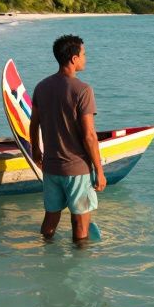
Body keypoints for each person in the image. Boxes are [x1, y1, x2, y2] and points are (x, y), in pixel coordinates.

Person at [29, 34, 105, 244]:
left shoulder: (41, 87)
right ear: (73, 58)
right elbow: (89, 136)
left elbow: (34, 124)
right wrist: (99, 170)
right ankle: (79, 272)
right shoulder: (82, 90)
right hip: (77, 168)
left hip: (51, 167)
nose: (85, 58)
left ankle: (45, 256)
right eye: (83, 54)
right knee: (80, 224)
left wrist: (36, 150)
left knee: (51, 219)